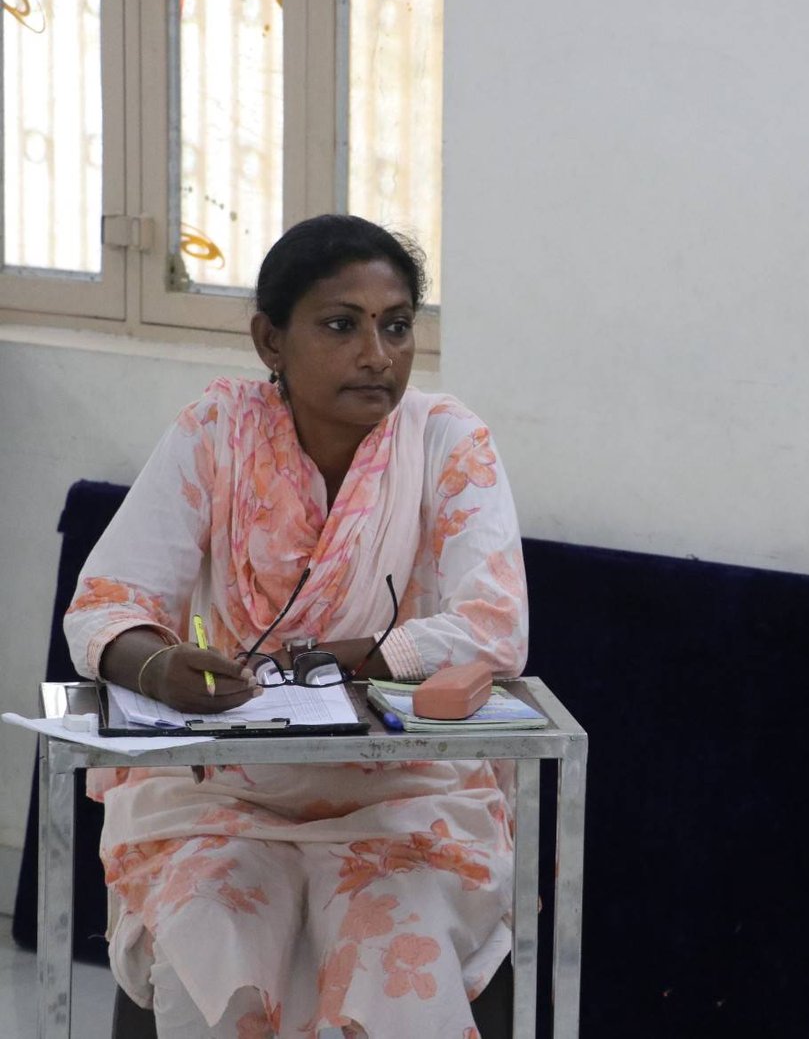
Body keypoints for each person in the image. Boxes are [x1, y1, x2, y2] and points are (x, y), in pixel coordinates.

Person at [64, 215, 529, 1038]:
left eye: (396, 326)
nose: (377, 354)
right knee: (215, 949)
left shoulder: (447, 440)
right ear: (270, 340)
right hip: (219, 794)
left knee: (396, 955)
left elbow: (496, 627)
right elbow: (104, 603)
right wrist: (158, 664)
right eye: (342, 325)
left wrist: (370, 655)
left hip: (402, 793)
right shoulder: (218, 431)